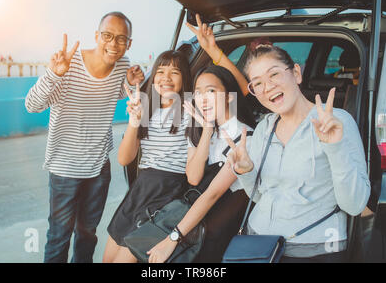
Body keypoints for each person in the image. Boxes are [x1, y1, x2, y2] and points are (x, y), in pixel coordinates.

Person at [146, 14, 370, 263]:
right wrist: (246, 171)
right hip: (257, 243)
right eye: (257, 83)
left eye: (274, 75)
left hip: (312, 246)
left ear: (296, 73)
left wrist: (335, 147)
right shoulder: (264, 127)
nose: (267, 87)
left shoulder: (337, 123)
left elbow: (355, 205)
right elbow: (260, 194)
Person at [25, 11, 144, 263]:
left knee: (87, 236)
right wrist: (53, 74)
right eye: (107, 36)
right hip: (65, 169)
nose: (113, 44)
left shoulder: (122, 64)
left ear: (129, 43)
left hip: (99, 168)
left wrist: (131, 81)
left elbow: (110, 94)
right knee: (59, 237)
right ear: (96, 36)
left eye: (121, 39)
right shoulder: (68, 66)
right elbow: (32, 105)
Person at [103, 50, 192, 263]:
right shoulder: (146, 108)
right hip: (140, 189)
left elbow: (236, 93)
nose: (166, 78)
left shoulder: (191, 110)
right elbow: (124, 159)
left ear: (185, 78)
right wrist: (135, 120)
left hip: (166, 194)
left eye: (175, 72)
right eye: (160, 71)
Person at [183, 65, 255, 262]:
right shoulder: (201, 130)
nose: (203, 98)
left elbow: (212, 195)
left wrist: (174, 237)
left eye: (211, 91)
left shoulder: (244, 136)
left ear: (230, 96)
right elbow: (194, 177)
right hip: (201, 222)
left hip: (220, 230)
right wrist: (206, 130)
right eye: (198, 92)